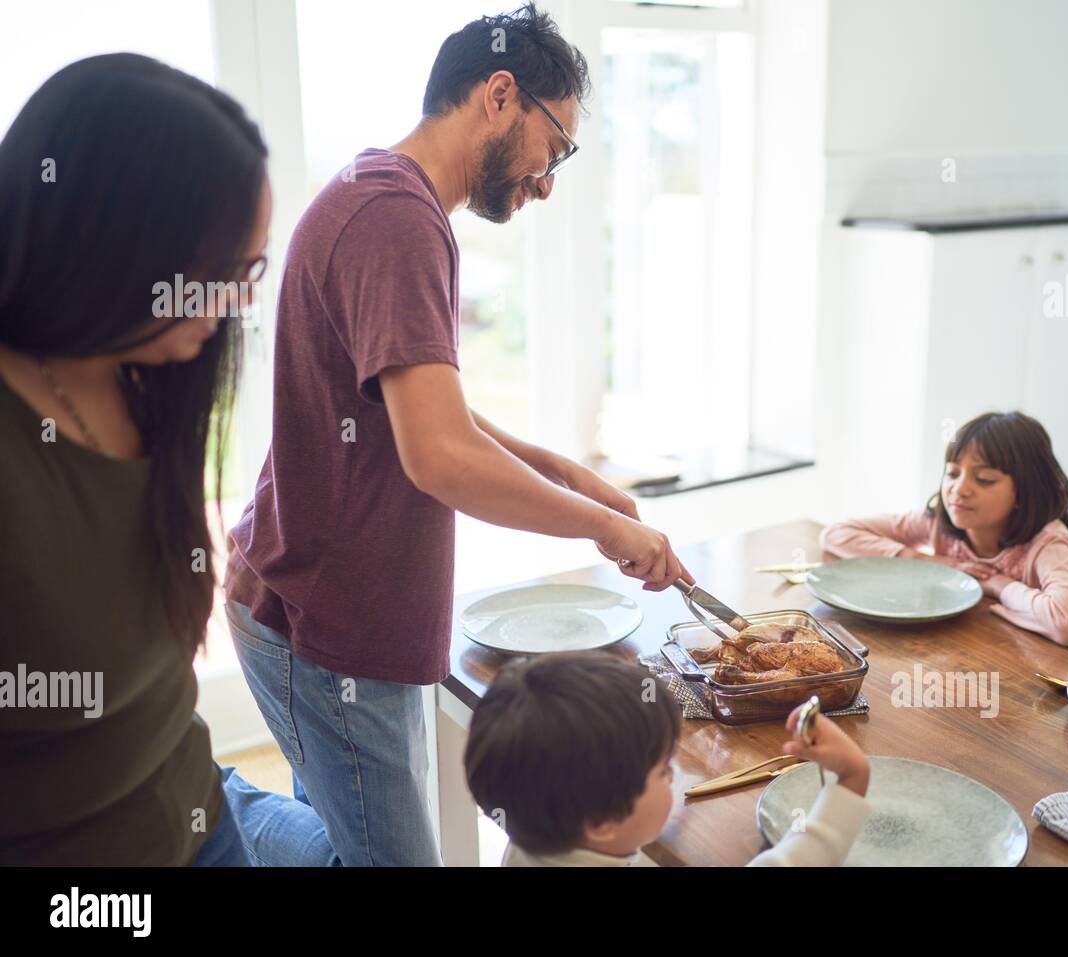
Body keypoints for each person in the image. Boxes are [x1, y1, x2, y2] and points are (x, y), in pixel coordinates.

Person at [222, 3, 691, 866]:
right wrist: (608, 528)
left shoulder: (387, 198)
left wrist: (570, 477)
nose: (549, 180)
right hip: (321, 624)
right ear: (501, 94)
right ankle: (218, 804)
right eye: (558, 146)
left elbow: (435, 414)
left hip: (317, 605)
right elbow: (437, 457)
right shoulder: (396, 219)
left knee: (345, 836)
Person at [0, 53, 329, 865]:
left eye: (251, 269)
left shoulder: (153, 380)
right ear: (110, 243)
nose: (237, 305)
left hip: (195, 810)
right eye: (223, 272)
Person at [464, 652, 871, 866]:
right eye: (661, 770)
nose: (675, 773)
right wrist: (852, 778)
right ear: (602, 822)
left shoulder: (531, 838)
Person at [820, 411, 1068, 646]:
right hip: (951, 650)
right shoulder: (939, 522)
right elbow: (836, 534)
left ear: (1024, 491)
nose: (959, 490)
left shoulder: (1048, 542)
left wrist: (998, 584)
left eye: (984, 479)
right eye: (952, 473)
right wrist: (930, 561)